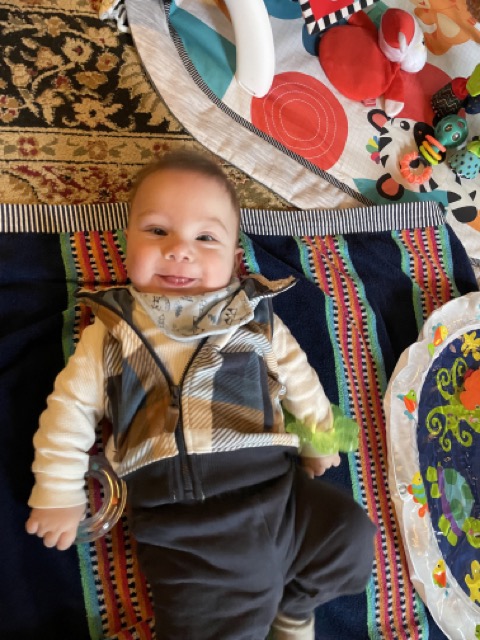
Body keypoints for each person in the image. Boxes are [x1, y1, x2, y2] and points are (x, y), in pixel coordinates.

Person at [26, 150, 376, 640]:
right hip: (189, 517)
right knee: (220, 619)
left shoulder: (256, 316)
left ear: (234, 259)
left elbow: (299, 378)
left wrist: (319, 437)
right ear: (127, 245)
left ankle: (294, 607)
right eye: (157, 231)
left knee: (350, 537)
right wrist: (57, 490)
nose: (178, 250)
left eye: (205, 237)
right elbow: (69, 409)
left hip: (280, 489)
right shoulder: (113, 330)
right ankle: (272, 606)